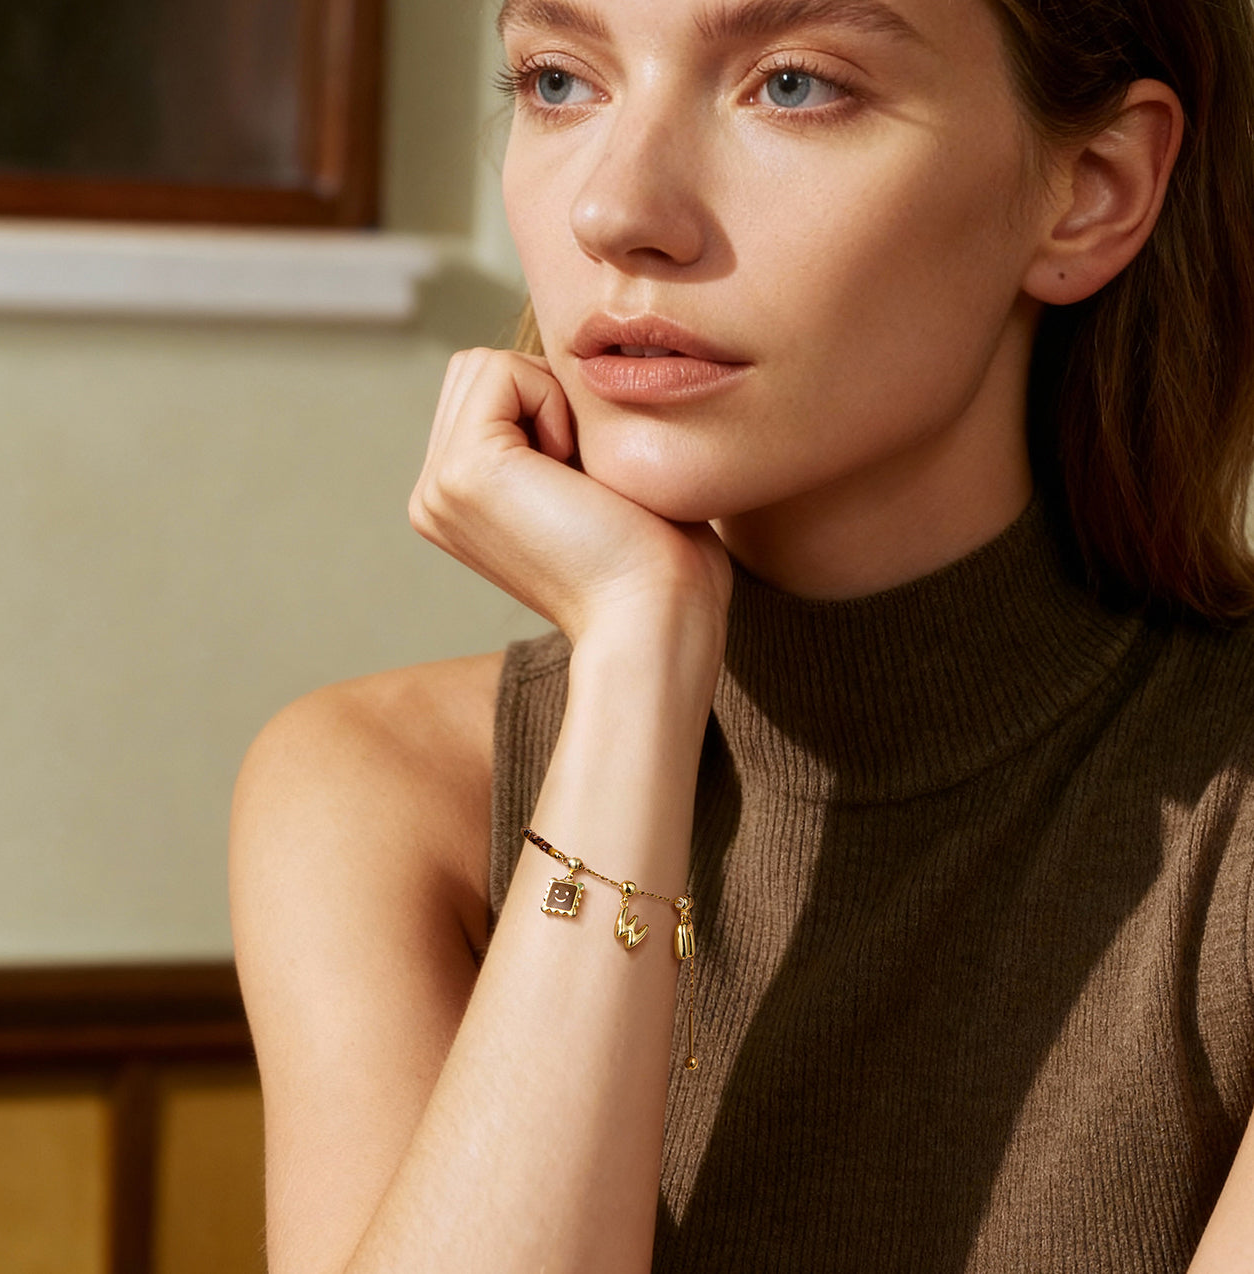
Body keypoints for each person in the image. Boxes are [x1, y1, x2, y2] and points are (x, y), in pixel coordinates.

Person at [228, 0, 1254, 1268]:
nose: (616, 209)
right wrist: (634, 658)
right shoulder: (378, 794)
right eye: (557, 81)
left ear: (1090, 191)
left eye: (792, 87)